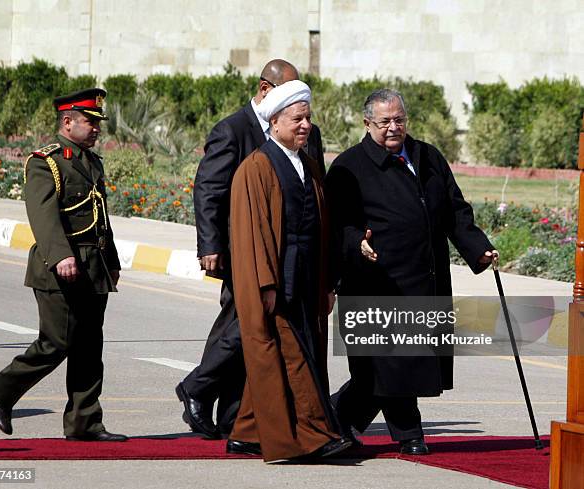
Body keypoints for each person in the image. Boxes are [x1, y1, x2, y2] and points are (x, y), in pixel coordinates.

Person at [325, 88, 497, 455]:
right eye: (384, 121)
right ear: (367, 122)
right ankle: (410, 434)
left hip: (425, 280)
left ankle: (336, 421)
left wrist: (477, 248)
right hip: (378, 282)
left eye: (399, 120)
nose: (393, 128)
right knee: (393, 362)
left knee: (386, 367)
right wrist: (356, 243)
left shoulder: (427, 156)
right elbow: (337, 224)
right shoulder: (348, 166)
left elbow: (454, 208)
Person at [176, 60, 325, 438]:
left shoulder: (310, 134)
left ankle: (233, 415)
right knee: (244, 324)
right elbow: (209, 189)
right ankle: (197, 387)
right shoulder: (233, 129)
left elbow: (315, 185)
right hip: (245, 250)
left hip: (291, 253)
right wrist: (210, 244)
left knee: (254, 330)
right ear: (264, 89)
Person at [0, 88, 126, 442]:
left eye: (97, 123)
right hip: (58, 267)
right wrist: (61, 254)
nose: (96, 129)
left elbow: (100, 218)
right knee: (56, 342)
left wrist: (112, 260)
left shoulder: (93, 162)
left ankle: (85, 422)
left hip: (93, 267)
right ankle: (2, 391)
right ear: (67, 122)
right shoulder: (45, 161)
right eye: (89, 122)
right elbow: (43, 213)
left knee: (90, 347)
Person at [225, 79, 350, 461]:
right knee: (292, 357)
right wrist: (265, 285)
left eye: (308, 118)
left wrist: (328, 283)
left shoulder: (309, 166)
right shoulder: (256, 169)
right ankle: (313, 434)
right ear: (275, 121)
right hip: (275, 284)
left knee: (288, 354)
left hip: (308, 282)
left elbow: (320, 229)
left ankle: (247, 431)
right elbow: (253, 234)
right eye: (297, 118)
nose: (304, 125)